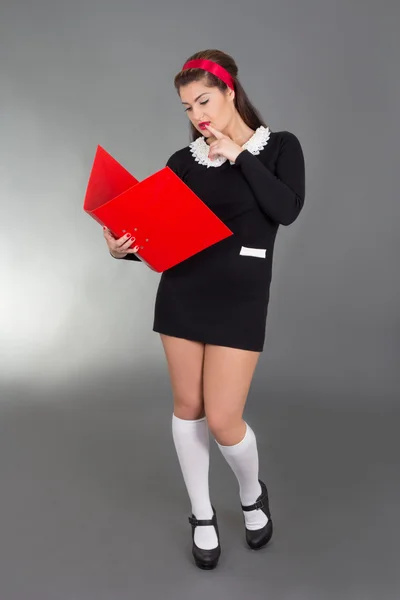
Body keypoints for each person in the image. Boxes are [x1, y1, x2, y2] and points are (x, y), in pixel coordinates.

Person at [103, 48, 305, 570]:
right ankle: (201, 513)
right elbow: (160, 239)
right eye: (188, 108)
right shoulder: (182, 162)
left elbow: (285, 209)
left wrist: (237, 154)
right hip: (183, 294)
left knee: (223, 418)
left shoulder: (279, 148)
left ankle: (250, 493)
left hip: (239, 301)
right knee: (187, 406)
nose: (198, 116)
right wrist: (126, 247)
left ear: (229, 91)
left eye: (204, 101)